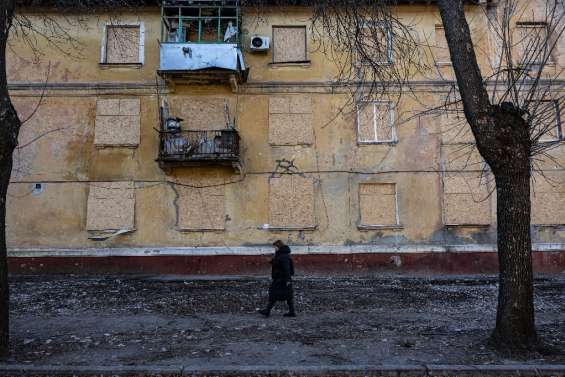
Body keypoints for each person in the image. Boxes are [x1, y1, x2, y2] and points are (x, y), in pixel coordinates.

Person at [258, 240, 296, 317]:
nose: (274, 248)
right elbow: (278, 264)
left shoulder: (283, 256)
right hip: (281, 279)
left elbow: (287, 269)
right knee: (288, 296)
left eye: (275, 247)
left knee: (274, 294)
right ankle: (292, 312)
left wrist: (288, 280)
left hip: (281, 279)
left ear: (278, 247)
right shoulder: (281, 255)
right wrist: (271, 261)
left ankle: (267, 311)